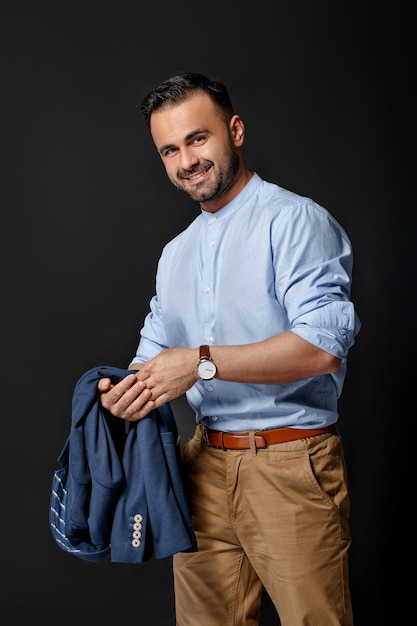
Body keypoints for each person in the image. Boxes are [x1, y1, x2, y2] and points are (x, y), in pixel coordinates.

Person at [98, 72, 360, 625]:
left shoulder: (294, 221)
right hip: (202, 466)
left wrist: (197, 364)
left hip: (289, 462)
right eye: (170, 149)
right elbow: (150, 359)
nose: (186, 160)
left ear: (234, 131)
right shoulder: (175, 254)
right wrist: (119, 393)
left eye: (198, 138)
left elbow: (322, 347)